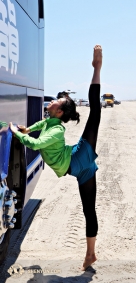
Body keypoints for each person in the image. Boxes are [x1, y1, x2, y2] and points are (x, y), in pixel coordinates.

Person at [9, 45, 102, 271]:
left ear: (60, 112)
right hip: (79, 166)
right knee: (88, 210)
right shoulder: (49, 121)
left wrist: (15, 132)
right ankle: (91, 254)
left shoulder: (57, 130)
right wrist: (28, 129)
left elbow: (38, 144)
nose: (51, 102)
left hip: (79, 157)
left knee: (96, 114)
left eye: (56, 102)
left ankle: (97, 68)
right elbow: (40, 126)